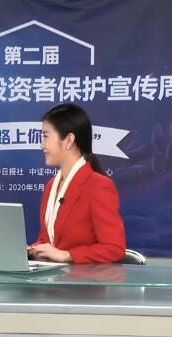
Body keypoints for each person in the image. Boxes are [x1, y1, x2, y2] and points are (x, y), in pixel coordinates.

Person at [28, 103, 126, 263]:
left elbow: (114, 248)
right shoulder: (51, 186)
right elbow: (47, 239)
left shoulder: (98, 185)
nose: (42, 144)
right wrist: (33, 249)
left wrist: (68, 255)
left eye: (46, 136)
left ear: (69, 140)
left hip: (83, 278)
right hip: (53, 276)